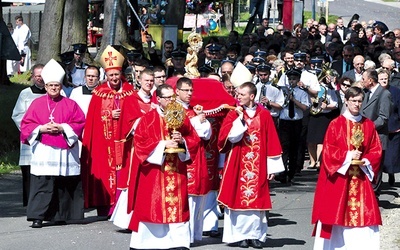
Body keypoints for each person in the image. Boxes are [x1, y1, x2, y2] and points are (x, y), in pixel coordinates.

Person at [127, 84, 200, 249]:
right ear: (158, 99)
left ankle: (179, 242)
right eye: (167, 98)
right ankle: (147, 242)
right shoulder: (148, 119)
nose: (171, 101)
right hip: (155, 172)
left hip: (176, 171)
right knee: (152, 206)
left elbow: (194, 140)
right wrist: (162, 144)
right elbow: (140, 144)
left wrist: (182, 141)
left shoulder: (182, 117)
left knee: (178, 207)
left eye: (173, 97)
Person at [312, 86, 383, 249]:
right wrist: (348, 156)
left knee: (364, 217)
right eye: (354, 101)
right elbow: (329, 152)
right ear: (346, 101)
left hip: (360, 179)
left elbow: (376, 150)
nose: (357, 104)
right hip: (340, 179)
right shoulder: (336, 124)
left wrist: (366, 160)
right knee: (336, 213)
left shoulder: (368, 125)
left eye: (360, 101)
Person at [217, 82, 284, 248]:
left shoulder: (264, 114)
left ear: (252, 96)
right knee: (237, 198)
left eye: (241, 94)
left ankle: (255, 236)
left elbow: (272, 141)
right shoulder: (233, 114)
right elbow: (227, 138)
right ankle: (240, 236)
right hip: (237, 163)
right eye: (238, 94)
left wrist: (272, 167)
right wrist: (239, 120)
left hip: (258, 164)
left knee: (257, 201)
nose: (238, 96)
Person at [20, 59, 85, 228]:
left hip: (64, 151)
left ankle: (62, 215)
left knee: (63, 182)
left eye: (57, 85)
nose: (54, 88)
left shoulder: (70, 104)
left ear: (61, 85)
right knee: (43, 182)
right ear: (46, 87)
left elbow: (79, 123)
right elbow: (26, 125)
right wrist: (41, 129)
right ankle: (38, 217)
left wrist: (62, 127)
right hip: (44, 150)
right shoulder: (37, 104)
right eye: (51, 86)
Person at [81, 45, 136, 217]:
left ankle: (122, 207)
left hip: (125, 141)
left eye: (116, 74)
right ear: (106, 75)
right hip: (104, 143)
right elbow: (92, 121)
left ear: (121, 74)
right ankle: (105, 206)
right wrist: (108, 114)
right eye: (111, 75)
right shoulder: (99, 93)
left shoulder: (130, 92)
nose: (114, 78)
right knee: (105, 173)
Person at [175, 77, 212, 244]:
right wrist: (197, 121)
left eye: (191, 90)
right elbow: (180, 131)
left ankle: (192, 235)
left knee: (196, 201)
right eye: (186, 90)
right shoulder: (174, 110)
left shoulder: (193, 111)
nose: (189, 93)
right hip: (181, 160)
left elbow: (205, 135)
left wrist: (201, 120)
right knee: (184, 201)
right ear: (177, 91)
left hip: (196, 158)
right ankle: (181, 237)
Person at [11, 64, 46, 206]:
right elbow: (17, 114)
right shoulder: (25, 93)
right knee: (29, 170)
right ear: (32, 76)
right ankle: (30, 203)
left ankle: (44, 201)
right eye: (37, 75)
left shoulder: (53, 91)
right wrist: (32, 130)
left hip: (48, 138)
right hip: (30, 138)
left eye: (42, 76)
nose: (40, 79)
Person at [361, 69, 392, 197]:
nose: (362, 81)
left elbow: (383, 118)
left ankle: (374, 196)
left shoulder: (384, 94)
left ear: (370, 80)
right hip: (365, 138)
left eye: (364, 79)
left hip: (377, 138)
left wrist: (368, 127)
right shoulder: (366, 93)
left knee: (376, 169)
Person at [377, 69, 400, 186]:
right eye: (381, 79)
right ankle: (380, 177)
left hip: (394, 127)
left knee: (392, 155)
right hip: (379, 128)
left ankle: (391, 174)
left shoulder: (396, 91)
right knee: (381, 156)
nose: (384, 81)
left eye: (385, 79)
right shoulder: (376, 92)